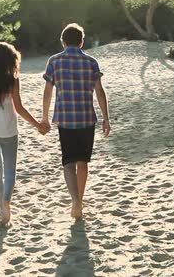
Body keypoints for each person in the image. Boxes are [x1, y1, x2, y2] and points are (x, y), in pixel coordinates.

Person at [0, 42, 50, 227]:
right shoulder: (12, 80)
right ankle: (7, 201)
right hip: (8, 131)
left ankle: (2, 207)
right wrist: (37, 125)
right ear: (10, 61)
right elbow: (19, 108)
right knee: (9, 172)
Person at [41, 23, 110, 219]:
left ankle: (75, 201)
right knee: (83, 162)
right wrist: (106, 118)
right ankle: (80, 200)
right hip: (87, 118)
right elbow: (99, 92)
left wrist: (44, 117)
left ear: (63, 42)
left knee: (68, 162)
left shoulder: (54, 61)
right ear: (81, 42)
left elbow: (48, 92)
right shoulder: (91, 62)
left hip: (66, 118)